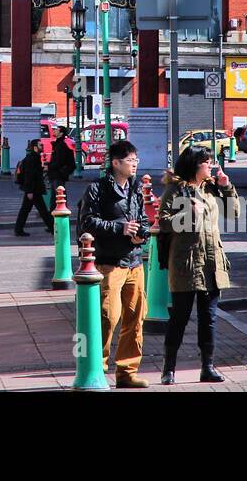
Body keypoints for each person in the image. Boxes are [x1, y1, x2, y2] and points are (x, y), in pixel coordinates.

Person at [156, 145, 238, 385]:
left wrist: (226, 186)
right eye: (207, 162)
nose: (211, 165)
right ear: (195, 165)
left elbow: (233, 213)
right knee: (179, 317)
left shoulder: (211, 188)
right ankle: (168, 369)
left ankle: (207, 367)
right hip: (187, 262)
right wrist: (189, 213)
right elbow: (163, 222)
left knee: (209, 318)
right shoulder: (176, 189)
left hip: (212, 262)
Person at [78, 139, 149, 389]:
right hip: (109, 263)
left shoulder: (134, 187)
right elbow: (87, 222)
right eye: (130, 161)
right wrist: (119, 228)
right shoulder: (97, 189)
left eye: (136, 160)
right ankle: (95, 367)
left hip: (134, 261)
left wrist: (143, 233)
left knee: (135, 317)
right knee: (107, 316)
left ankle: (127, 372)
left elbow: (142, 219)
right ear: (116, 163)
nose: (135, 165)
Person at [13, 139, 54, 236]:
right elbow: (29, 176)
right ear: (35, 147)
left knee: (26, 210)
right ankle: (52, 228)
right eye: (40, 145)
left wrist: (42, 168)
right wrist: (29, 191)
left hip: (33, 189)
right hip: (34, 190)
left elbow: (35, 172)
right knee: (42, 210)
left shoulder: (34, 157)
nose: (42, 147)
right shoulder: (32, 159)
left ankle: (18, 229)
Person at [48, 126, 77, 198]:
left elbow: (58, 162)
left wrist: (49, 167)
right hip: (57, 174)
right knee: (57, 197)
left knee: (59, 196)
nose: (54, 131)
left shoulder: (60, 146)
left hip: (58, 174)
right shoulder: (58, 144)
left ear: (61, 134)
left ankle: (61, 209)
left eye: (57, 130)